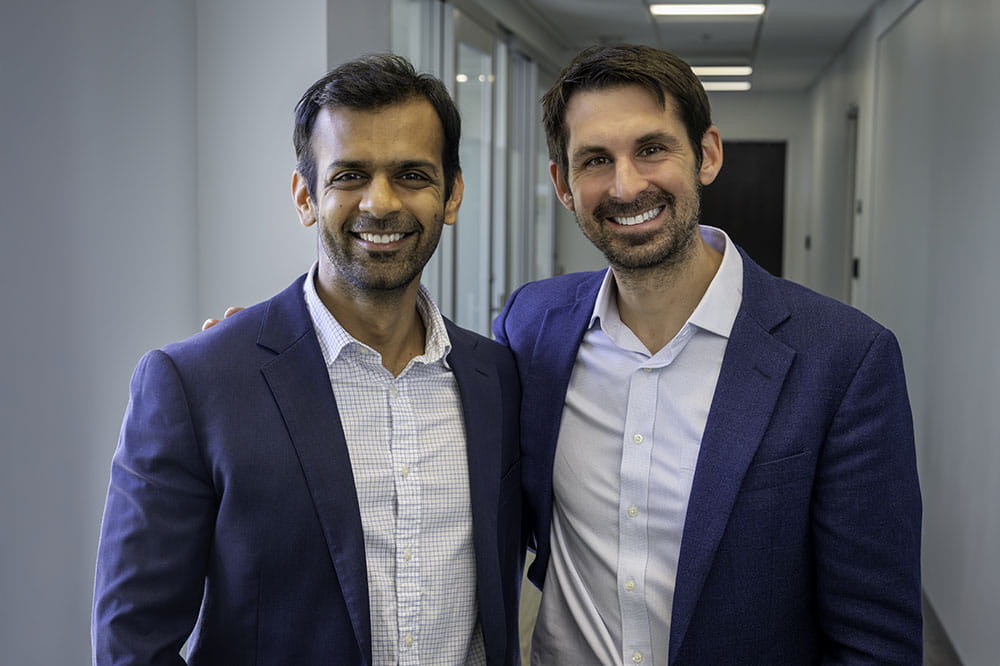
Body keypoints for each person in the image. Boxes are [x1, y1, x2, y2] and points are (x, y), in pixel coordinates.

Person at [493, 44, 923, 664]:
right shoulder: (531, 326)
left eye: (651, 148)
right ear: (563, 184)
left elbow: (874, 638)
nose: (625, 184)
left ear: (707, 154)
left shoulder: (846, 361)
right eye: (594, 159)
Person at [92, 54, 523, 665]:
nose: (380, 203)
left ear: (451, 195)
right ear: (305, 196)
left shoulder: (496, 378)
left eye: (411, 174)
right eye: (349, 175)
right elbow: (132, 641)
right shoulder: (197, 385)